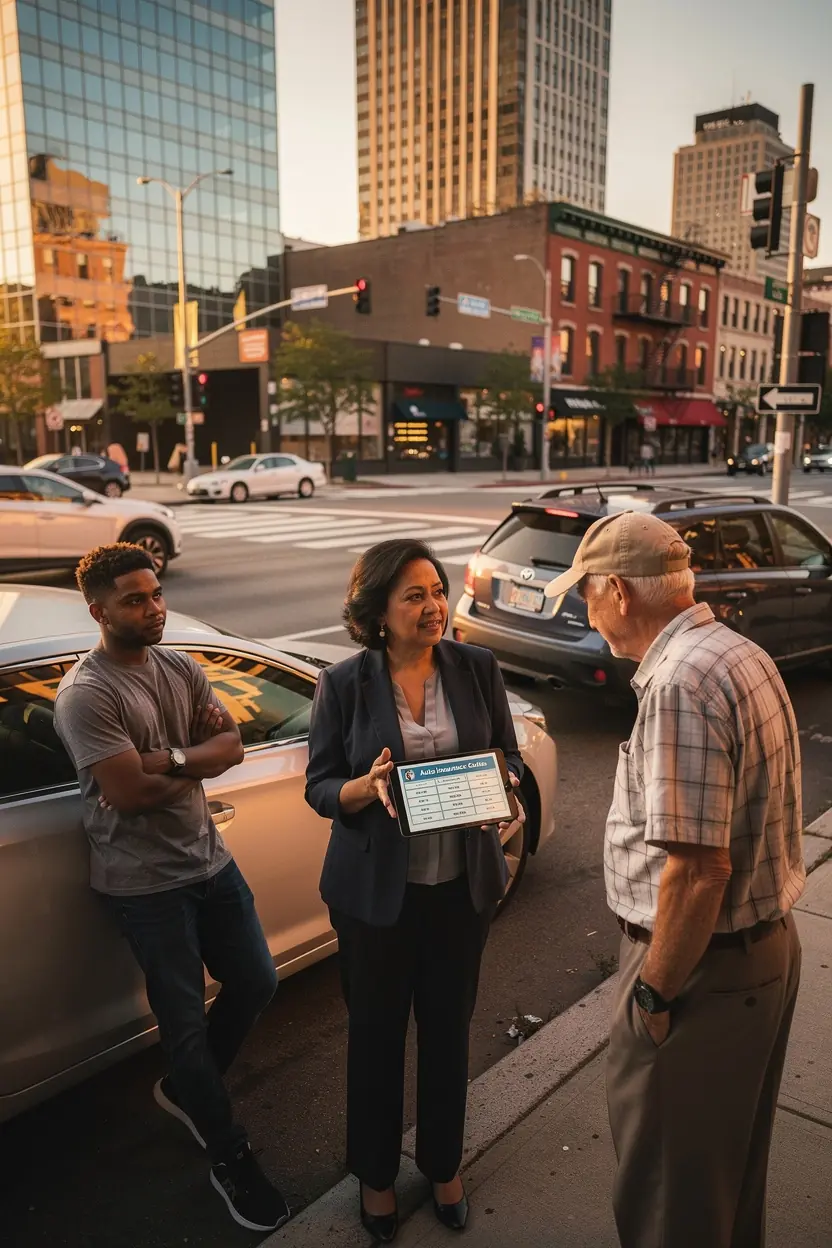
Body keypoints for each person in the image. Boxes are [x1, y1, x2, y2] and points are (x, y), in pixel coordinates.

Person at [543, 512, 804, 1248]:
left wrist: (653, 994)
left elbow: (697, 872)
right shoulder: (734, 653)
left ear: (619, 592)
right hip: (754, 957)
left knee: (669, 1205)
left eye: (586, 592)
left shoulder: (680, 684)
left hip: (699, 975)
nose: (582, 606)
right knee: (722, 1188)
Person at [53, 543, 289, 1234]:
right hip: (143, 885)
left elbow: (234, 745)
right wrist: (192, 759)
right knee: (183, 1022)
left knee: (257, 980)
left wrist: (172, 757)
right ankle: (228, 1154)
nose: (154, 608)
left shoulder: (179, 665)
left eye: (155, 593)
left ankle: (192, 1089)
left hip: (207, 860)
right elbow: (128, 794)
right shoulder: (87, 694)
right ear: (99, 610)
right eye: (134, 599)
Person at [305, 538, 525, 1242]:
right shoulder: (343, 684)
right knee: (374, 1037)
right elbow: (319, 786)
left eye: (437, 591)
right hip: (375, 900)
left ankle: (443, 1164)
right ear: (377, 611)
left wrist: (505, 784)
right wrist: (364, 789)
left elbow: (508, 754)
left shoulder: (476, 666)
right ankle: (374, 1175)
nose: (434, 606)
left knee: (448, 1033)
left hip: (461, 890)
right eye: (414, 596)